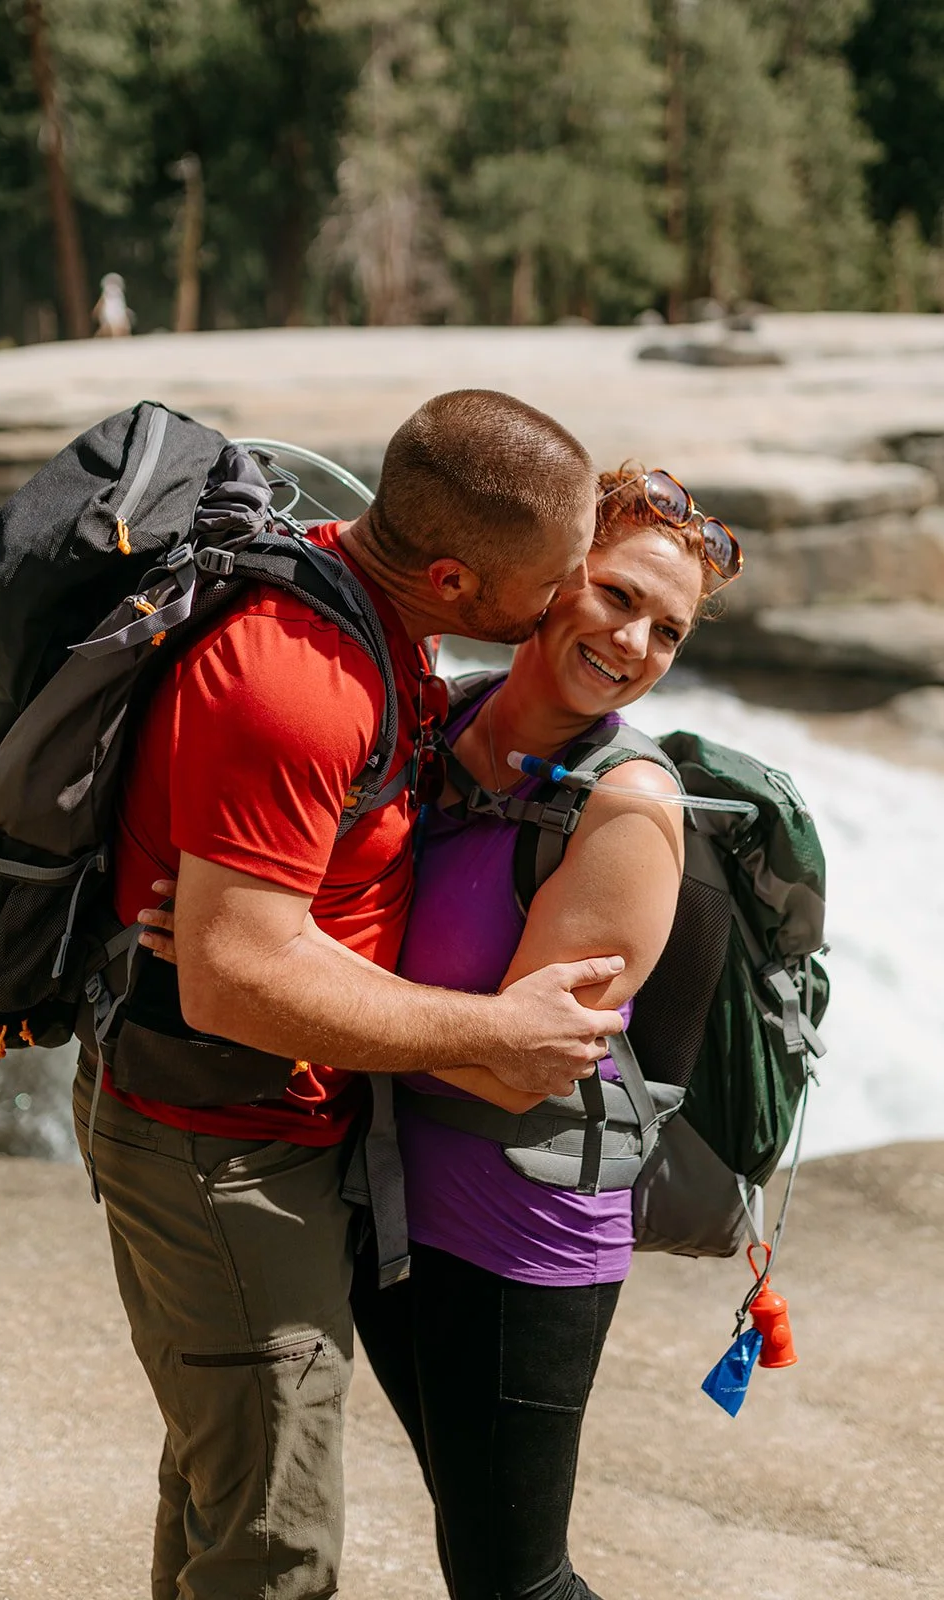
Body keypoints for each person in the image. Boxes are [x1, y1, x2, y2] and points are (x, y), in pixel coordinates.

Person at [77, 389, 627, 1600]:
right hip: (218, 1146)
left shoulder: (376, 619)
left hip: (263, 1132)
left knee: (225, 1489)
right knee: (276, 1547)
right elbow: (230, 979)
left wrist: (272, 932)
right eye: (552, 584)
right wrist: (494, 1029)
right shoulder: (299, 679)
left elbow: (248, 934)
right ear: (451, 578)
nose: (568, 602)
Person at [347, 464, 741, 1600]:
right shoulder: (448, 711)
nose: (632, 643)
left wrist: (277, 990)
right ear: (554, 575)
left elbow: (513, 1071)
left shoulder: (626, 810)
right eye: (617, 596)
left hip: (521, 1240)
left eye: (665, 630)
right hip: (386, 1199)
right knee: (473, 1543)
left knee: (513, 1578)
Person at [93, 271, 133, 336]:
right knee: (111, 328)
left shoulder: (118, 294)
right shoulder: (107, 294)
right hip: (110, 314)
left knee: (123, 327)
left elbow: (121, 305)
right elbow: (101, 303)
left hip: (117, 314)